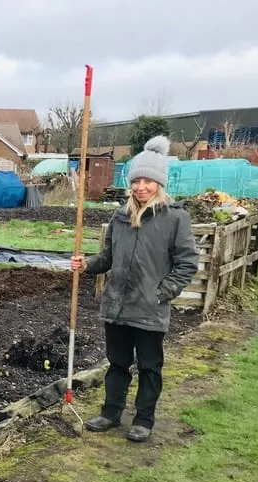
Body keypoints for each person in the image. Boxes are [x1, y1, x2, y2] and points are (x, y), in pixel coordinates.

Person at [70, 135, 198, 442]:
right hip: (117, 305)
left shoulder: (175, 218)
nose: (141, 187)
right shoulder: (120, 216)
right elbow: (108, 257)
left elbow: (187, 264)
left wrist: (161, 293)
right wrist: (87, 264)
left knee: (150, 367)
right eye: (136, 181)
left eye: (148, 181)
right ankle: (111, 413)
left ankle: (143, 420)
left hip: (150, 308)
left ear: (159, 184)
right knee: (117, 364)